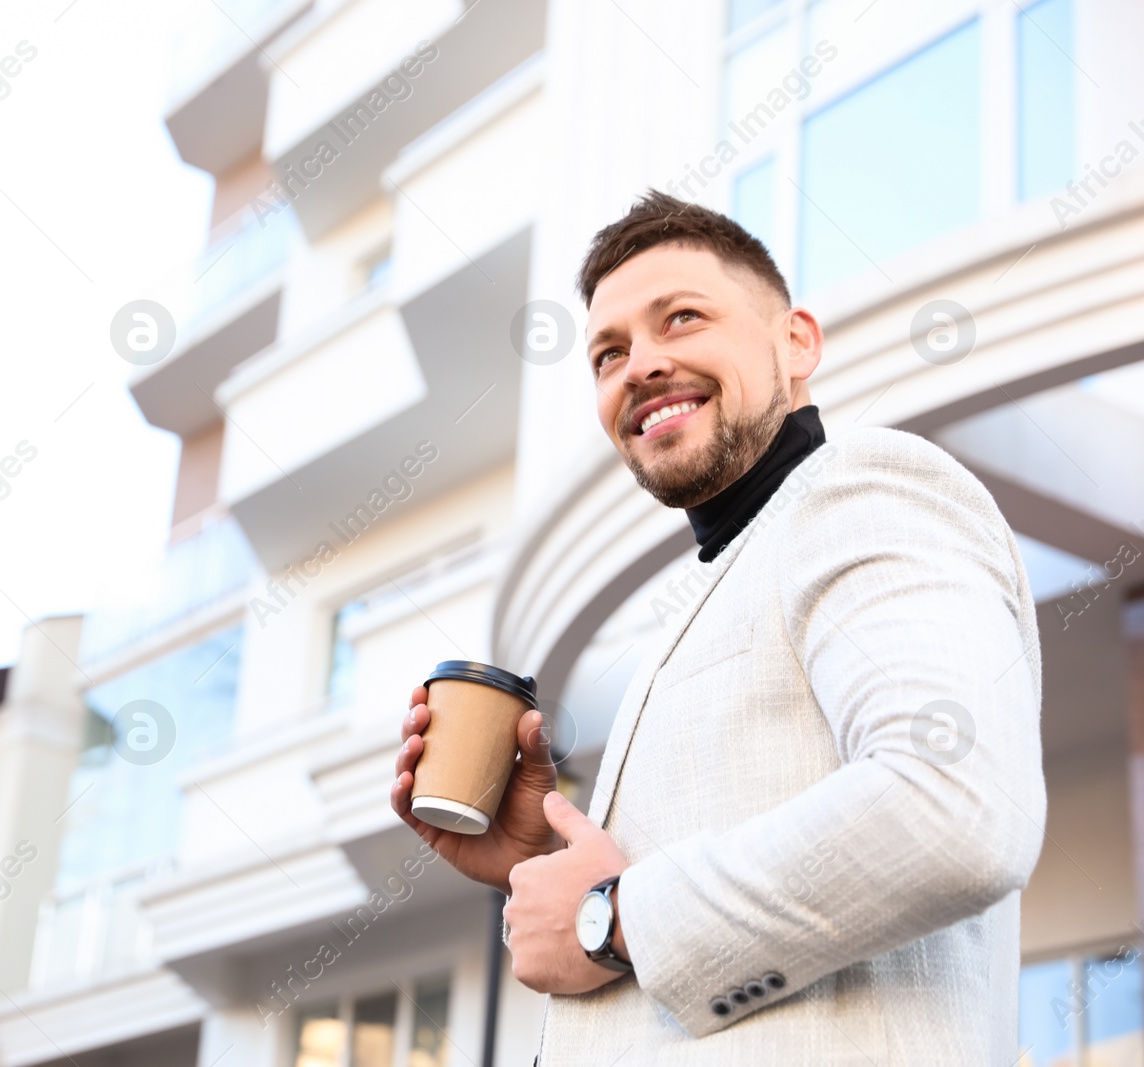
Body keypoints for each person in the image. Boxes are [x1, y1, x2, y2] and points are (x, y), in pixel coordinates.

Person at [390, 190, 1046, 1063]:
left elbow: (955, 805)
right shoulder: (731, 569)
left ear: (796, 342)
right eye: (608, 353)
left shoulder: (863, 485)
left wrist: (611, 918)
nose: (641, 366)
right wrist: (545, 854)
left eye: (683, 319)